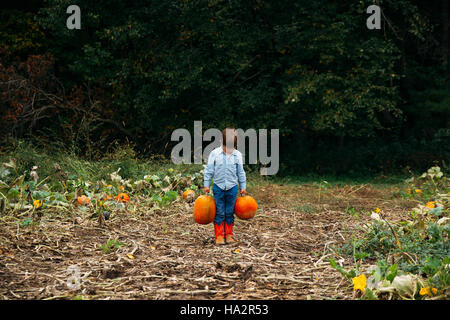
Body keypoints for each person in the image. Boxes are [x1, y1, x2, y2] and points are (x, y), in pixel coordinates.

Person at [203, 128, 246, 245]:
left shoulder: (237, 155)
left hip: (232, 188)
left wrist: (243, 186)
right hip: (218, 187)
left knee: (229, 212)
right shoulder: (215, 154)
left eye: (232, 147)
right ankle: (219, 236)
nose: (229, 150)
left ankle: (229, 235)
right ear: (222, 142)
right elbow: (209, 170)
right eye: (227, 147)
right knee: (219, 212)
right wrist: (206, 184)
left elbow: (240, 172)